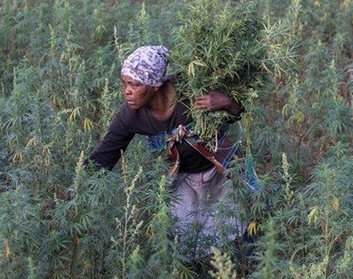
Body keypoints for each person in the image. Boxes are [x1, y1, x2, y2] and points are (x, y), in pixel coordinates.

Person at [88, 45, 245, 257]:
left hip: (223, 170)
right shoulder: (130, 116)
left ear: (155, 85)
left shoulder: (191, 91)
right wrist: (76, 189)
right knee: (184, 242)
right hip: (185, 178)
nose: (127, 91)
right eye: (124, 83)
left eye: (135, 84)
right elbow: (106, 154)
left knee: (235, 235)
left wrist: (226, 102)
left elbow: (236, 115)